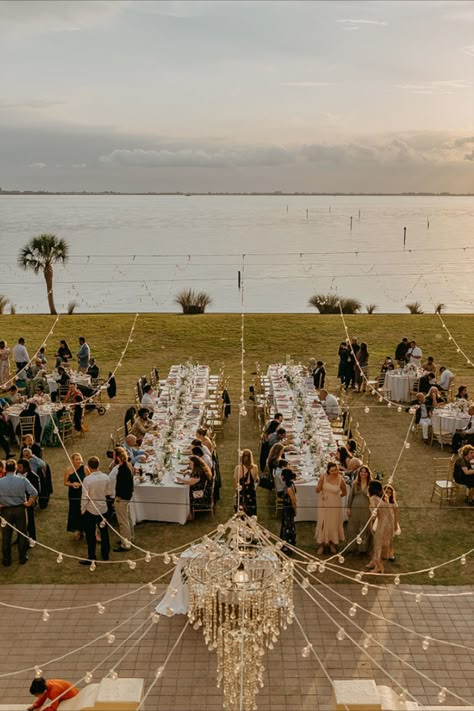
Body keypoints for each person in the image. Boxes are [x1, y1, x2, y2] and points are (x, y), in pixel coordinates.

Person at [0, 459, 37, 566]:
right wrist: (29, 503)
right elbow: (34, 492)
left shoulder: (0, 481)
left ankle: (6, 560)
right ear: (16, 468)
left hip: (6, 510)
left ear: (5, 469)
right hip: (20, 509)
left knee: (6, 536)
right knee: (22, 534)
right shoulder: (22, 480)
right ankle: (22, 557)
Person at [80, 456, 112, 564]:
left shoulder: (87, 480)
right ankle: (105, 554)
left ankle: (92, 556)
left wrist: (83, 509)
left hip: (91, 510)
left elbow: (85, 496)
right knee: (104, 532)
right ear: (98, 465)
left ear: (88, 467)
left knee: (90, 534)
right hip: (103, 509)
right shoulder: (106, 477)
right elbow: (108, 492)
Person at [315, 462, 347, 555]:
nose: (335, 472)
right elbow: (317, 491)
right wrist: (320, 482)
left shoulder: (341, 479)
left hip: (335, 505)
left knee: (333, 523)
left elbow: (344, 492)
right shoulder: (323, 478)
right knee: (323, 522)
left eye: (336, 469)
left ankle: (332, 542)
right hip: (324, 503)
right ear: (328, 471)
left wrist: (336, 498)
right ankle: (321, 543)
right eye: (332, 470)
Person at [366, 480, 395, 573]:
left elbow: (373, 511)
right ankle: (374, 561)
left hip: (383, 523)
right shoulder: (383, 497)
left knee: (378, 544)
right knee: (380, 543)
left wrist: (372, 517)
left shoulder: (373, 498)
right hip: (389, 523)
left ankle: (379, 566)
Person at [346, 465, 373, 554]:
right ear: (359, 473)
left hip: (366, 508)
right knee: (354, 527)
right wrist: (348, 508)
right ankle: (353, 547)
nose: (363, 473)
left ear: (368, 474)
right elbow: (350, 497)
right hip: (355, 507)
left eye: (365, 472)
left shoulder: (371, 484)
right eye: (361, 472)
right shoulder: (355, 484)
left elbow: (373, 498)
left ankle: (363, 548)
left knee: (364, 527)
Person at [177, 454, 213, 519]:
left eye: (190, 463)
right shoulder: (199, 468)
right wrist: (189, 472)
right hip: (204, 489)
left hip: (202, 494)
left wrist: (181, 480)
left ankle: (190, 514)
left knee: (186, 492)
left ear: (195, 464)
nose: (189, 465)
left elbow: (190, 482)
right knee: (187, 489)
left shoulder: (198, 472)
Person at [112, 447, 135, 551]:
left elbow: (122, 485)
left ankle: (125, 544)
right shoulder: (128, 465)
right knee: (128, 519)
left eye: (114, 455)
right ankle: (130, 538)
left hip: (122, 498)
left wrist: (118, 497)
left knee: (123, 521)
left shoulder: (123, 469)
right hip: (127, 496)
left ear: (117, 457)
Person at [64, 453, 89, 541]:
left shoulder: (85, 468)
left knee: (83, 510)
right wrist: (72, 484)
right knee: (74, 511)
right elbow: (65, 482)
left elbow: (89, 480)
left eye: (79, 459)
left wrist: (81, 484)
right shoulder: (68, 470)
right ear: (72, 460)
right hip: (73, 493)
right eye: (76, 459)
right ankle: (78, 531)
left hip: (82, 493)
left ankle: (86, 529)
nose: (78, 461)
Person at [16, 458, 40, 541]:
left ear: (25, 468)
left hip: (29, 502)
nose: (17, 469)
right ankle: (20, 537)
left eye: (20, 467)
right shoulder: (16, 474)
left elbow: (36, 491)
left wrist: (30, 501)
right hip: (18, 501)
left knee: (30, 522)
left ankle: (32, 538)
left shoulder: (33, 477)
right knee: (19, 522)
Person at [234, 448, 259, 516]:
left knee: (241, 510)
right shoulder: (255, 468)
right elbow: (256, 479)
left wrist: (236, 493)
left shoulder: (238, 468)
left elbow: (236, 483)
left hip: (242, 491)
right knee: (251, 511)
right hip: (251, 492)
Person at [280, 468, 297, 553]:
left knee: (288, 526)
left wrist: (295, 510)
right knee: (287, 525)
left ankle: (288, 544)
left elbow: (293, 500)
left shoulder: (289, 488)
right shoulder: (289, 485)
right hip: (286, 509)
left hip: (288, 510)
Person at [383, 484, 399, 561]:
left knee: (390, 539)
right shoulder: (380, 501)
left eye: (389, 493)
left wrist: (395, 524)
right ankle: (383, 552)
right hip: (382, 521)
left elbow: (395, 514)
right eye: (386, 492)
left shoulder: (393, 503)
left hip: (390, 522)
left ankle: (390, 553)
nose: (388, 494)